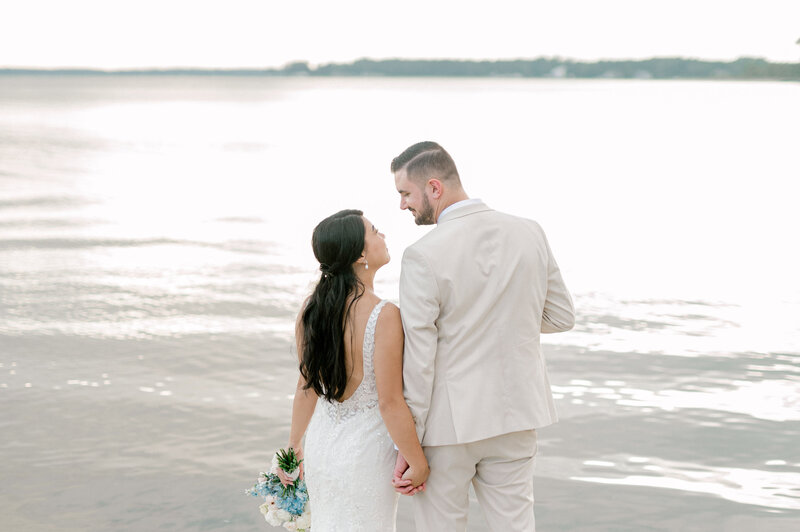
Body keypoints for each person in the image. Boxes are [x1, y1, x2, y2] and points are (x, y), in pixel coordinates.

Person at [391, 142, 575, 532]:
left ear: (435, 187)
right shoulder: (529, 231)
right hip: (517, 414)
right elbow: (561, 317)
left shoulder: (423, 254)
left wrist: (410, 443)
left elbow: (419, 361)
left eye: (406, 193)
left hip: (448, 425)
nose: (403, 205)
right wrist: (507, 320)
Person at [280, 209, 428, 531]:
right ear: (360, 253)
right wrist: (417, 460)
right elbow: (391, 404)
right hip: (366, 454)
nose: (383, 235)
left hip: (321, 446)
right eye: (375, 231)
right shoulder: (384, 315)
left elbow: (306, 388)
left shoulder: (311, 311)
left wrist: (294, 446)